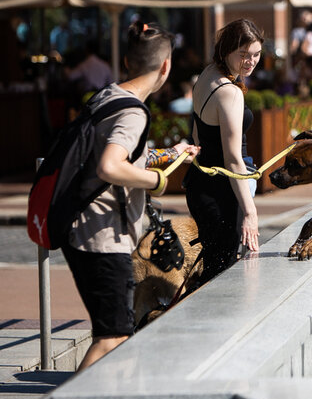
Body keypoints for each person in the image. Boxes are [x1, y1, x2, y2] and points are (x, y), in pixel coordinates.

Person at [61, 21, 199, 370]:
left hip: (86, 232)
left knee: (115, 335)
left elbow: (117, 156)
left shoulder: (108, 95)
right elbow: (109, 166)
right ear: (166, 66)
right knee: (112, 339)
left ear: (125, 62)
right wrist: (155, 181)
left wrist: (168, 155)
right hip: (102, 237)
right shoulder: (133, 112)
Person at [184, 18, 263, 290]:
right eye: (243, 55)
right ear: (226, 50)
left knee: (214, 270)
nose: (250, 61)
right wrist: (250, 212)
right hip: (221, 194)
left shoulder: (207, 75)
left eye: (256, 54)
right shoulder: (230, 93)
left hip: (200, 184)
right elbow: (232, 160)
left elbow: (196, 135)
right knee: (222, 280)